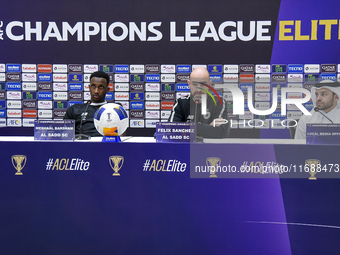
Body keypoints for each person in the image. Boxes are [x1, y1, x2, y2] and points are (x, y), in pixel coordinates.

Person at [168, 67, 229, 138]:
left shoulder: (219, 102)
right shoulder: (180, 103)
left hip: (210, 148)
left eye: (203, 84)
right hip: (187, 148)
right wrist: (208, 128)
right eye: (195, 84)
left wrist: (187, 126)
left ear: (209, 84)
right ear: (189, 84)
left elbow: (220, 132)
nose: (198, 89)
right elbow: (171, 130)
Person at [64, 71, 110, 137]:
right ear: (89, 87)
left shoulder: (115, 109)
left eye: (101, 87)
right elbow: (65, 135)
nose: (96, 91)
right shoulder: (74, 109)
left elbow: (122, 137)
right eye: (93, 86)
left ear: (107, 90)